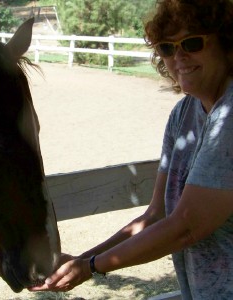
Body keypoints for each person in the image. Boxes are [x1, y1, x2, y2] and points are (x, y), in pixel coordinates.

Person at [29, 0, 233, 298]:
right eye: (166, 47)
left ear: (226, 44)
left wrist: (91, 267)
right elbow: (158, 215)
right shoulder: (183, 114)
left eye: (192, 42)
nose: (179, 57)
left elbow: (187, 226)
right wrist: (82, 261)